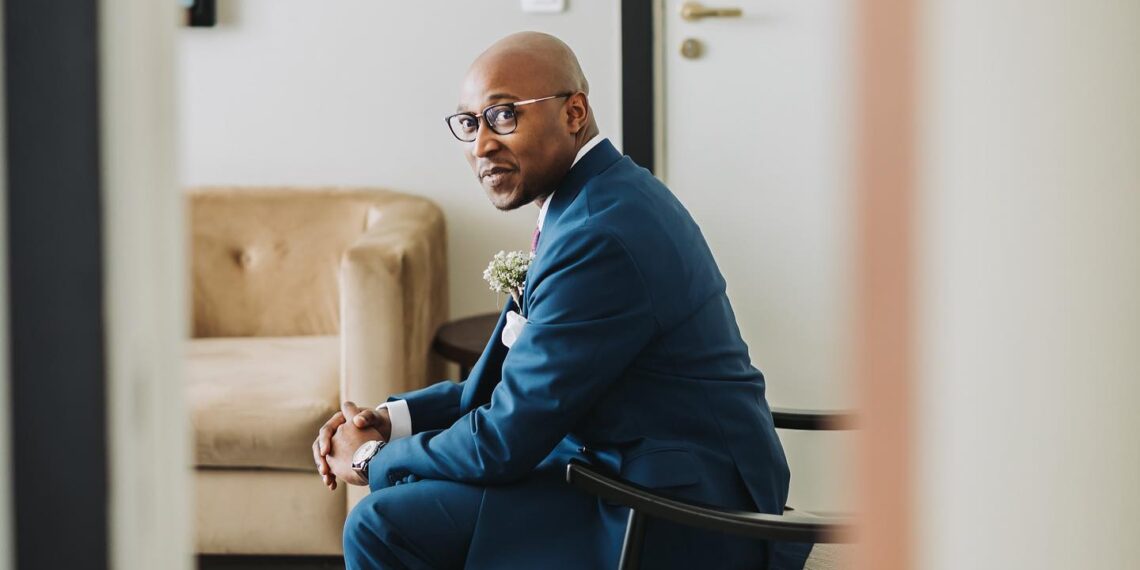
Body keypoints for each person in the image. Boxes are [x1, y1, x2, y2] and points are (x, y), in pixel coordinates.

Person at [312, 31, 811, 570]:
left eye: (504, 115)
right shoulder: (588, 199)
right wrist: (390, 421)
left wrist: (371, 459)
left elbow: (503, 441)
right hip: (618, 464)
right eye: (469, 122)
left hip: (677, 507)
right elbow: (506, 388)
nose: (481, 144)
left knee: (380, 524)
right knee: (398, 507)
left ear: (574, 113)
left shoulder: (599, 233)